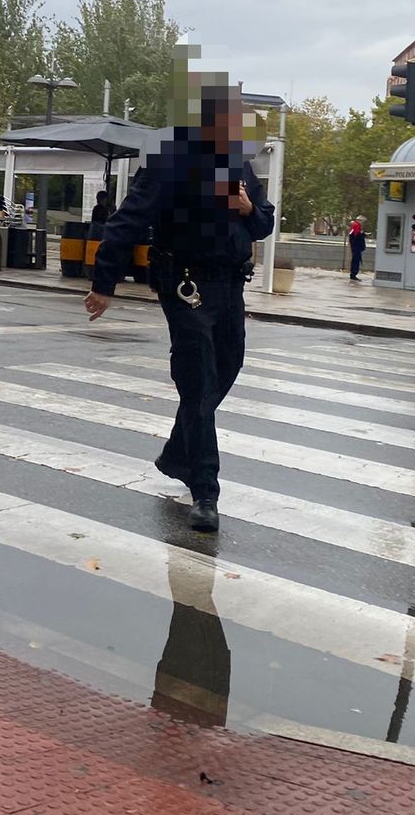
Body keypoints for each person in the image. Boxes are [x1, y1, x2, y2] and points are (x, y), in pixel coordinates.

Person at [83, 83, 275, 532]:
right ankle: (205, 490)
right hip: (186, 284)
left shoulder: (238, 163)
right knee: (197, 378)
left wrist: (249, 209)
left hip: (230, 285)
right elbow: (128, 219)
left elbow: (264, 221)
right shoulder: (169, 159)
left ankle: (176, 453)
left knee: (227, 368)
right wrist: (104, 282)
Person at [348, 216, 367, 281]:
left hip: (356, 247)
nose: (363, 223)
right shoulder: (356, 226)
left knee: (355, 260)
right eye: (363, 222)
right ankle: (353, 274)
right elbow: (357, 236)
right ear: (360, 221)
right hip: (356, 247)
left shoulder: (355, 226)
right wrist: (362, 234)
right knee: (356, 260)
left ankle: (353, 274)